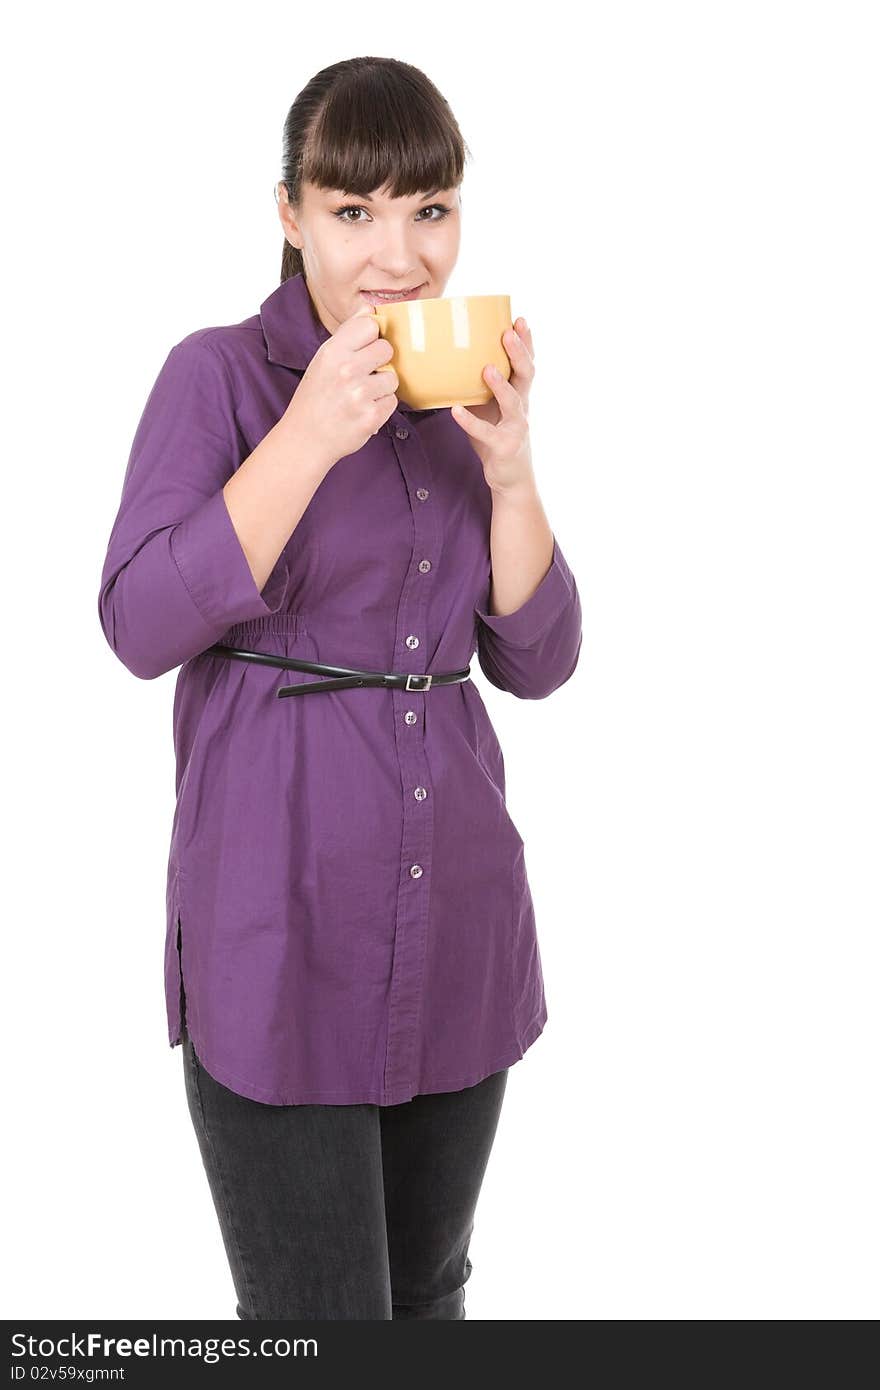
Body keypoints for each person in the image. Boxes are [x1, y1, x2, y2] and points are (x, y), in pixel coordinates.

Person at [97, 56, 582, 1320]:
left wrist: (516, 474)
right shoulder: (218, 377)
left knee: (425, 1295)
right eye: (352, 212)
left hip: (459, 922)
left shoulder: (459, 394)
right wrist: (310, 432)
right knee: (320, 1321)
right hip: (279, 932)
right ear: (287, 214)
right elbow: (140, 622)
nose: (399, 256)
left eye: (430, 210)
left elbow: (539, 659)